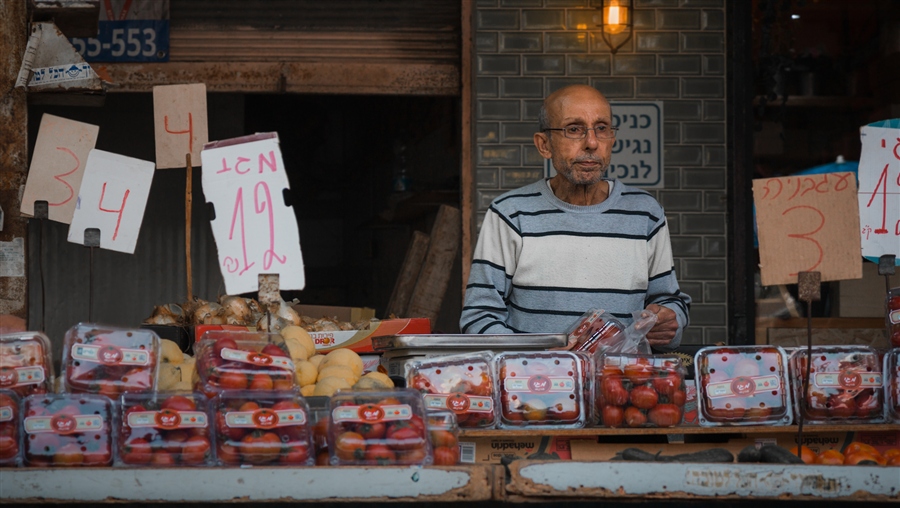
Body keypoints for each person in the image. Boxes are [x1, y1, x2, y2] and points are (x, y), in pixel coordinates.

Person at [459, 85, 691, 352]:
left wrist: (669, 322)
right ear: (544, 145)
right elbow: (479, 318)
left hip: (620, 383)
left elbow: (671, 302)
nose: (592, 143)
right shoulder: (511, 214)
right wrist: (540, 363)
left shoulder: (645, 213)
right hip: (537, 388)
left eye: (602, 128)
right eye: (574, 129)